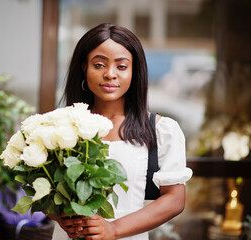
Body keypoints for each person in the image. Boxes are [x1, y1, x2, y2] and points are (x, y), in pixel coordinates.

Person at [48, 23, 193, 240]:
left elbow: (174, 199)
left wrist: (113, 229)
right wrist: (62, 218)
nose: (109, 74)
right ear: (83, 68)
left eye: (121, 66)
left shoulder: (161, 130)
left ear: (135, 72)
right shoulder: (60, 126)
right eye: (99, 65)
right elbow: (43, 190)